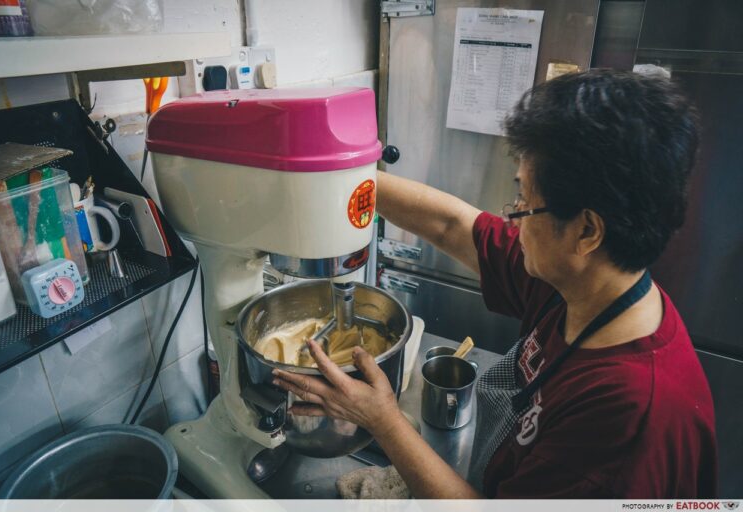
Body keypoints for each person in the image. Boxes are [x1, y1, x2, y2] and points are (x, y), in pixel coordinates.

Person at [272, 69, 718, 498]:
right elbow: (450, 225)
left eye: (524, 202)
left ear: (587, 231)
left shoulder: (628, 424)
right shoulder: (583, 280)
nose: (512, 216)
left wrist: (381, 420)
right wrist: (335, 180)